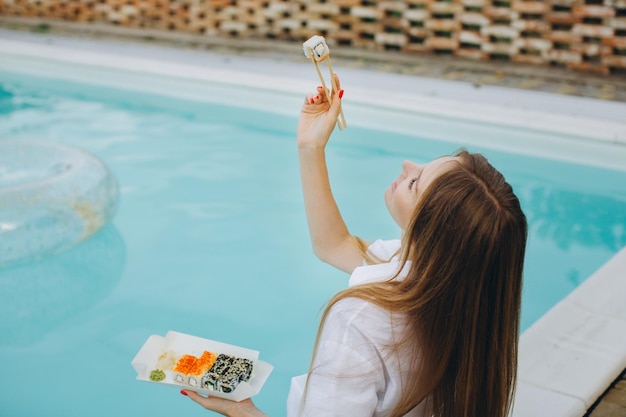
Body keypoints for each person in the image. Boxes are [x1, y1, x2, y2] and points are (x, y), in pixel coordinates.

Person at [181, 75, 528, 417]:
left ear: (430, 230)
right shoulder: (467, 293)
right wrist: (310, 147)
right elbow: (335, 245)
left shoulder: (361, 320)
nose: (407, 165)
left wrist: (245, 414)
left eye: (415, 182)